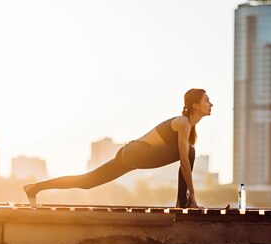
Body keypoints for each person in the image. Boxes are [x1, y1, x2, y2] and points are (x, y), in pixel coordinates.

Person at [23, 88, 212, 208]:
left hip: (129, 155)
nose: (211, 104)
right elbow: (185, 160)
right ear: (196, 105)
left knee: (87, 182)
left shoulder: (188, 126)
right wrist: (192, 194)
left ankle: (34, 188)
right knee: (190, 152)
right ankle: (182, 202)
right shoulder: (183, 123)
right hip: (137, 153)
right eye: (206, 100)